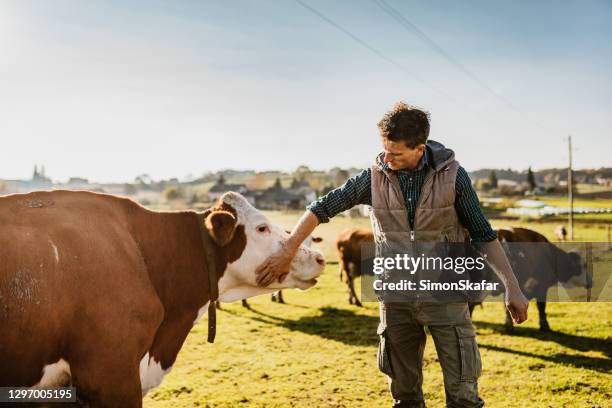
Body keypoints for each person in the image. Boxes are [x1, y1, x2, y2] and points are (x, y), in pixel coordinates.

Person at [255, 101, 529, 407]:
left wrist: (513, 288)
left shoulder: (454, 177)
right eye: (385, 149)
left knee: (464, 394)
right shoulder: (373, 177)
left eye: (396, 153)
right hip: (395, 298)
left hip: (445, 295)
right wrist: (288, 250)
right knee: (405, 396)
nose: (387, 158)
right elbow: (321, 209)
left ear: (420, 148)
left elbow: (484, 235)